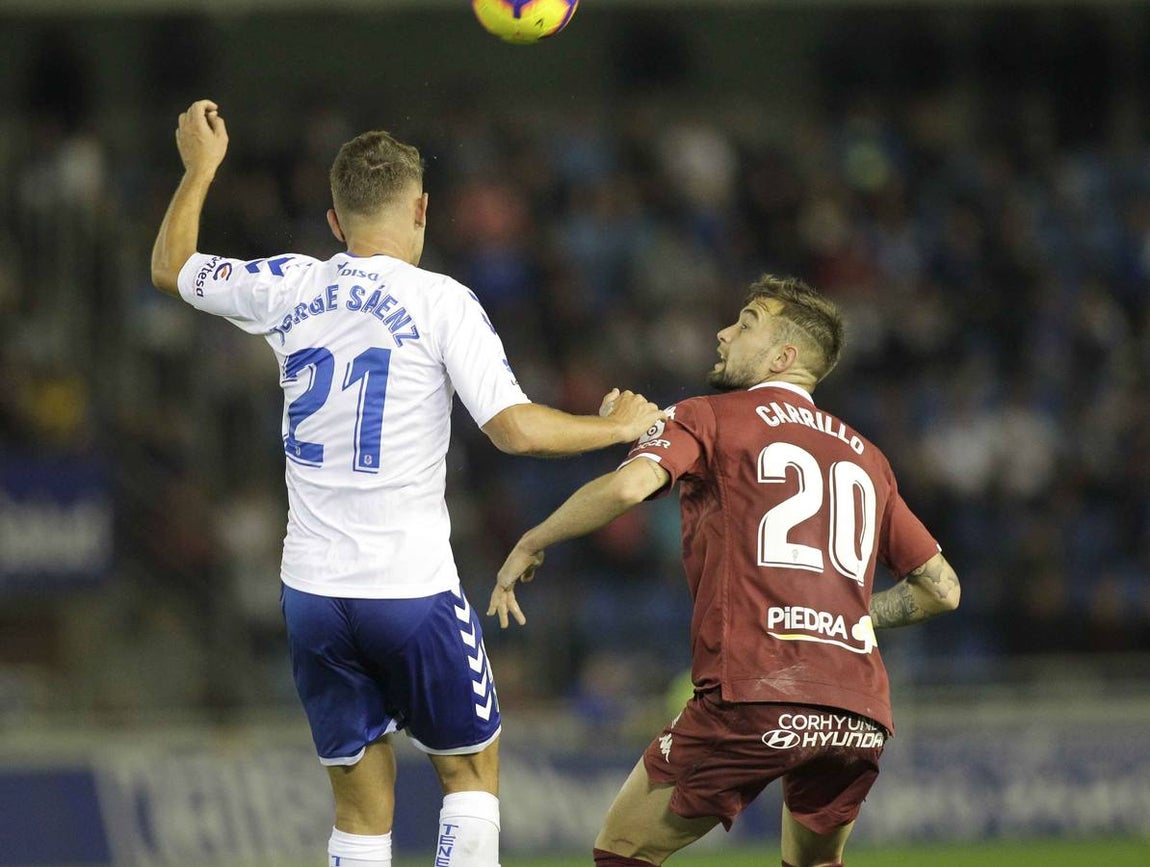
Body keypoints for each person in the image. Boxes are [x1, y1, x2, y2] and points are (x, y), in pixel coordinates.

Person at [150, 99, 665, 867]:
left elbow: (171, 266)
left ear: (333, 220)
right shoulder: (441, 301)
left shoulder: (289, 283)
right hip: (409, 585)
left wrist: (200, 172)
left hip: (313, 591)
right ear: (423, 208)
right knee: (469, 770)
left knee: (360, 806)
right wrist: (619, 429)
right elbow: (514, 428)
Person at [489, 275, 961, 867]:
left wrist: (533, 539)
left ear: (782, 356)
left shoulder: (709, 416)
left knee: (621, 852)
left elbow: (632, 485)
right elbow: (942, 589)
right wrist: (854, 615)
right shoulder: (868, 457)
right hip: (858, 711)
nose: (723, 332)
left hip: (755, 692)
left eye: (746, 323)